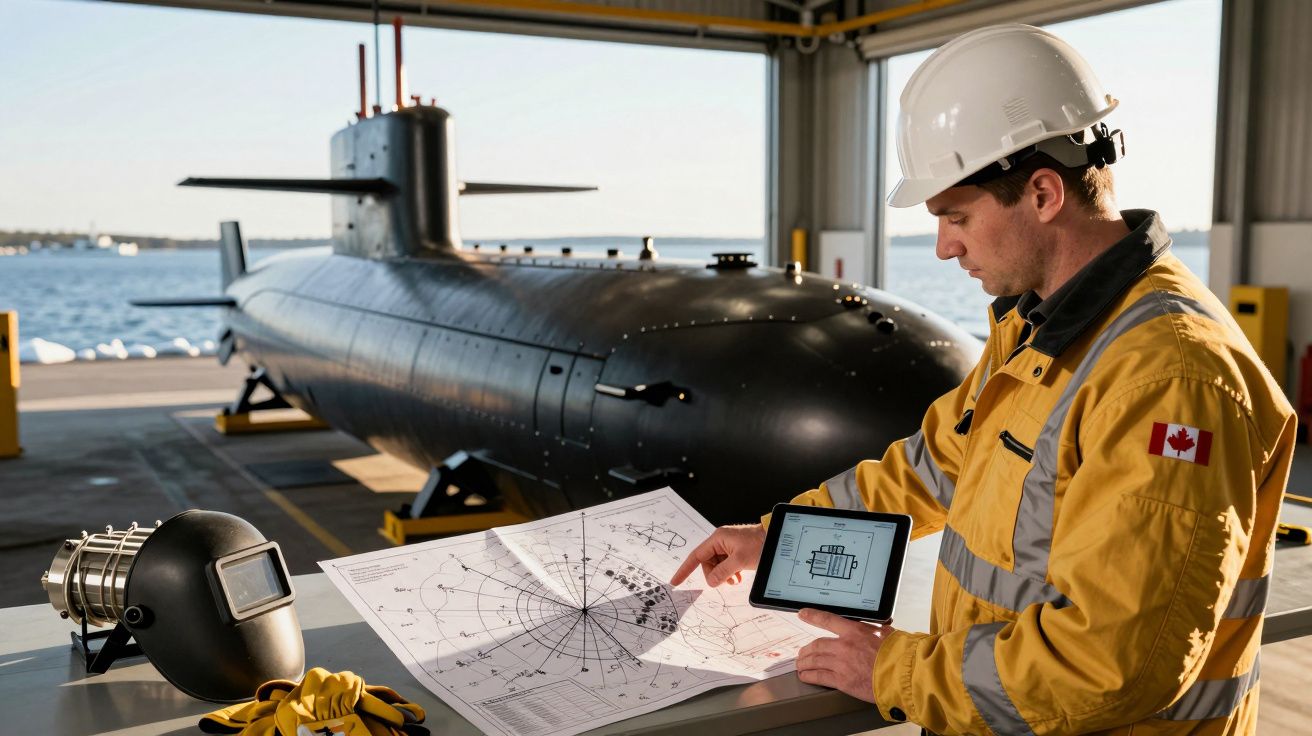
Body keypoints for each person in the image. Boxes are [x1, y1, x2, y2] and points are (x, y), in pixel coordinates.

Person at [670, 23, 1295, 736]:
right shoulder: (1039, 330)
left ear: (1042, 193)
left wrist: (895, 673)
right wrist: (779, 540)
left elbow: (1114, 662)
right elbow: (931, 469)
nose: (943, 247)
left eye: (957, 216)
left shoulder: (1169, 378)